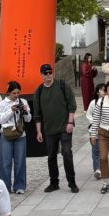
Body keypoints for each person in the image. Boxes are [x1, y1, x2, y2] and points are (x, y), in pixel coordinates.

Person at [33, 63, 79, 194]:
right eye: (45, 73)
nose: (48, 75)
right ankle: (54, 182)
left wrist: (70, 122)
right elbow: (37, 114)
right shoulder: (39, 91)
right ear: (41, 75)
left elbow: (72, 105)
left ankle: (72, 182)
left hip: (65, 127)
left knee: (66, 153)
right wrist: (38, 131)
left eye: (50, 72)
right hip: (48, 129)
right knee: (51, 156)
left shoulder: (62, 85)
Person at [0, 81, 32, 194]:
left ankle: (19, 186)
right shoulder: (3, 103)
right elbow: (1, 120)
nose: (16, 95)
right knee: (5, 162)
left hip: (20, 134)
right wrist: (11, 111)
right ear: (9, 92)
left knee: (20, 161)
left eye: (18, 93)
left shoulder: (23, 102)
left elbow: (28, 120)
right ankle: (5, 187)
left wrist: (26, 111)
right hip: (6, 134)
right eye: (14, 93)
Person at [86, 82, 107, 179]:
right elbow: (88, 114)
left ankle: (103, 168)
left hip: (105, 130)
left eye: (105, 90)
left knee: (103, 151)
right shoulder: (93, 103)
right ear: (98, 92)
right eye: (102, 90)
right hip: (93, 130)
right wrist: (95, 122)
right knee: (95, 150)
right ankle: (97, 169)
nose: (104, 92)